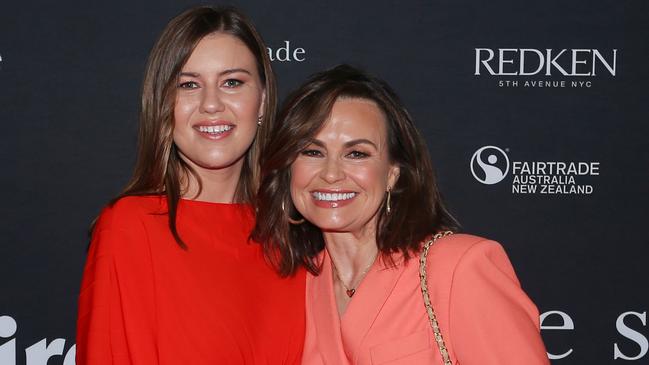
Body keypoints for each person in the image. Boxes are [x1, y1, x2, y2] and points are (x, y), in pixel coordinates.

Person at [252, 65, 549, 365]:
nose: (331, 174)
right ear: (288, 167)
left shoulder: (458, 267)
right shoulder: (301, 284)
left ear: (393, 173)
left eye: (357, 154)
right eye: (312, 152)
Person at [76, 6, 305, 364]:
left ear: (261, 100)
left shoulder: (295, 232)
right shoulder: (130, 228)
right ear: (164, 104)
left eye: (232, 82)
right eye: (188, 84)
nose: (211, 104)